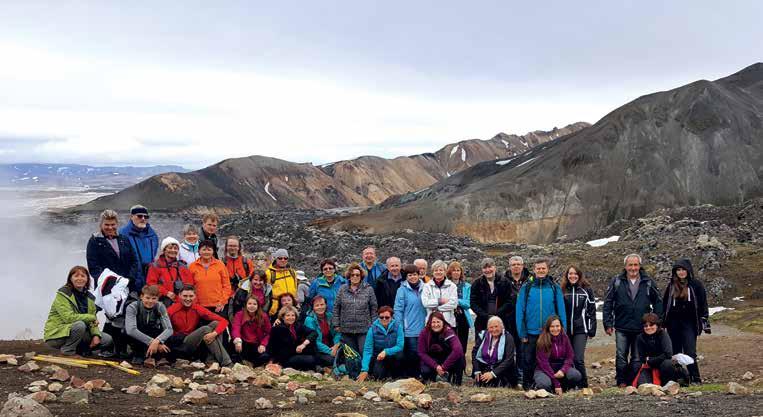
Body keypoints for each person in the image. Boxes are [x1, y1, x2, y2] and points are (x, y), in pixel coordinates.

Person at [603, 253, 663, 387]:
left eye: (636, 265)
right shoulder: (617, 281)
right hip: (621, 326)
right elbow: (608, 302)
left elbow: (658, 302)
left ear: (639, 266)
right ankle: (621, 382)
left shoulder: (648, 282)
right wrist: (607, 323)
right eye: (630, 265)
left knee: (637, 358)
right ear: (625, 266)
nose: (633, 268)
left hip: (641, 328)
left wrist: (657, 322)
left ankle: (633, 381)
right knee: (621, 357)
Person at [516, 258, 567, 390]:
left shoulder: (554, 287)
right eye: (538, 268)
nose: (541, 270)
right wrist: (522, 332)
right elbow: (520, 310)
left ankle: (549, 385)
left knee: (549, 360)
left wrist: (563, 329)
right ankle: (528, 386)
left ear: (547, 269)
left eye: (543, 268)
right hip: (531, 332)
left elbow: (561, 310)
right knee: (528, 360)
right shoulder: (526, 287)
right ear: (534, 270)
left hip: (549, 332)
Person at [44, 266, 113, 356]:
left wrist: (96, 335)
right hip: (57, 335)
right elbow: (69, 318)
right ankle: (68, 351)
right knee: (80, 325)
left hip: (77, 331)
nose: (80, 278)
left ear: (87, 279)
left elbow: (92, 321)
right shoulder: (63, 294)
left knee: (107, 339)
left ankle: (81, 351)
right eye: (76, 276)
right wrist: (91, 317)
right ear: (70, 279)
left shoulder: (90, 298)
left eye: (83, 276)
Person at [662, 259, 710, 384]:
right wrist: (662, 322)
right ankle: (680, 377)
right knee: (675, 352)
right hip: (673, 323)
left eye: (683, 269)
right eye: (678, 270)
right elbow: (665, 304)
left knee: (690, 351)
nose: (681, 272)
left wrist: (704, 320)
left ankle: (696, 378)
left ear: (688, 271)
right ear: (675, 272)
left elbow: (703, 304)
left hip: (690, 323)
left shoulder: (696, 285)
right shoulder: (671, 285)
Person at [166, 285, 232, 366]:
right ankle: (227, 362)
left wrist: (214, 333)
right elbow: (163, 328)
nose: (188, 299)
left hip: (193, 342)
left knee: (216, 324)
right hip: (179, 344)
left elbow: (224, 321)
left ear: (195, 296)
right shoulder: (172, 310)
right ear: (179, 295)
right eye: (185, 296)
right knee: (205, 329)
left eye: (191, 296)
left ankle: (211, 360)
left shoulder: (197, 308)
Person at [561, 265, 596, 388]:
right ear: (567, 275)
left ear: (579, 275)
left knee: (578, 358)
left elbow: (591, 310)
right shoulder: (562, 290)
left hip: (581, 329)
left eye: (575, 274)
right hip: (565, 330)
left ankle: (583, 385)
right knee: (566, 358)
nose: (572, 276)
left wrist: (592, 329)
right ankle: (569, 385)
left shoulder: (586, 290)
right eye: (570, 273)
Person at [332, 263, 377, 354]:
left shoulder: (368, 289)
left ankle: (365, 368)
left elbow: (374, 307)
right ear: (349, 276)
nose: (355, 277)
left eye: (357, 275)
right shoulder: (342, 289)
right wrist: (336, 324)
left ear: (361, 276)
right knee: (351, 355)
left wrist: (373, 324)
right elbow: (336, 307)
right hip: (346, 329)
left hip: (364, 328)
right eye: (352, 275)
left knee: (364, 351)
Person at [86, 209, 137, 287]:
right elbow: (93, 267)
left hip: (126, 284)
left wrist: (130, 279)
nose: (110, 227)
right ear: (101, 225)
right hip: (105, 287)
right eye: (106, 224)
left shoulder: (124, 239)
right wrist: (109, 282)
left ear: (117, 224)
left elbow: (134, 261)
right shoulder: (95, 241)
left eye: (113, 224)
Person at [125, 285, 173, 365]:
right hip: (138, 334)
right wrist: (151, 342)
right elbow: (131, 330)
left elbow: (169, 329)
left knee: (167, 336)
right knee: (124, 332)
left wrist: (157, 341)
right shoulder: (132, 306)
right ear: (141, 297)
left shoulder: (160, 306)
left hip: (153, 333)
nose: (150, 301)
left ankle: (157, 356)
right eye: (147, 298)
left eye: (154, 298)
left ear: (158, 298)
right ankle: (138, 354)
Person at [534, 315, 582, 394]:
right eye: (552, 326)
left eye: (557, 326)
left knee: (576, 375)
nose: (555, 329)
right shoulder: (542, 340)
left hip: (560, 368)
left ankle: (566, 387)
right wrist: (556, 383)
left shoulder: (565, 338)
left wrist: (563, 370)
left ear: (561, 326)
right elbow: (544, 364)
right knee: (544, 384)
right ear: (548, 328)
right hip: (544, 370)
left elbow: (570, 356)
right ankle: (547, 387)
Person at [632, 313, 684, 386]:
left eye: (651, 325)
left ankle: (667, 384)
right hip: (650, 366)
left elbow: (668, 354)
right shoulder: (640, 338)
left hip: (662, 364)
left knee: (667, 364)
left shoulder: (663, 334)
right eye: (645, 326)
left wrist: (651, 360)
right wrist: (649, 360)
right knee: (642, 381)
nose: (648, 328)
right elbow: (642, 357)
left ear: (657, 325)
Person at [394, 264, 427, 378]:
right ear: (406, 277)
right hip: (409, 329)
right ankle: (412, 376)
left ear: (419, 275)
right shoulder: (402, 290)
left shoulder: (426, 287)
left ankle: (422, 375)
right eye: (410, 275)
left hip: (424, 327)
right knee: (412, 353)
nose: (413, 277)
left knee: (423, 353)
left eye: (415, 274)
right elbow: (398, 310)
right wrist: (400, 327)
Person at [471, 258, 513, 343]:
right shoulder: (477, 284)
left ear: (495, 267)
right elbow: (473, 303)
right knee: (481, 346)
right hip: (482, 322)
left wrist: (497, 314)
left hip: (502, 321)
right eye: (485, 268)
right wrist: (485, 315)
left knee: (501, 345)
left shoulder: (505, 282)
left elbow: (509, 301)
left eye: (490, 267)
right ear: (482, 270)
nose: (488, 270)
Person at [357, 306, 404, 382]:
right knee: (378, 376)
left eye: (387, 317)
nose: (384, 319)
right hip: (379, 357)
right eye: (381, 317)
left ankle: (396, 375)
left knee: (400, 356)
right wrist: (364, 370)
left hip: (393, 356)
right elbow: (367, 350)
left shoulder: (398, 327)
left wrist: (386, 351)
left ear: (392, 317)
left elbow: (400, 346)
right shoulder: (372, 329)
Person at [418, 311, 465, 385]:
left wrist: (443, 367)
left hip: (446, 360)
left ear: (443, 322)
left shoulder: (448, 331)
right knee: (425, 371)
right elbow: (421, 353)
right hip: (433, 360)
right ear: (430, 323)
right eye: (433, 322)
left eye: (438, 322)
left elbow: (458, 349)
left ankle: (455, 378)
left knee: (460, 358)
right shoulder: (424, 333)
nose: (436, 325)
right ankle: (434, 378)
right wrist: (436, 366)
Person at [120, 204, 159, 292]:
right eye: (139, 216)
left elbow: (153, 255)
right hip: (131, 281)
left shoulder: (152, 235)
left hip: (149, 280)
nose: (143, 219)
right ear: (131, 217)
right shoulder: (123, 234)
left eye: (146, 216)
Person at [504, 255, 531, 379]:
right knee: (509, 347)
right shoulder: (503, 280)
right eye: (513, 264)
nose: (516, 266)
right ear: (510, 267)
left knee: (523, 348)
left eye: (518, 264)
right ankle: (510, 374)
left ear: (523, 265)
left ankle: (522, 374)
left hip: (526, 319)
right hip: (508, 318)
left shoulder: (531, 280)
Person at [146, 237, 195, 306]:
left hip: (181, 302)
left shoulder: (183, 266)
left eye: (175, 248)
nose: (173, 250)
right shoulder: (155, 266)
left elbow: (189, 285)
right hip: (161, 302)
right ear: (164, 250)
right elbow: (151, 284)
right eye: (170, 248)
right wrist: (166, 292)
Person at [268, 305, 318, 371]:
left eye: (293, 315)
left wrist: (303, 344)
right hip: (284, 357)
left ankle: (307, 367)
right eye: (288, 315)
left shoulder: (297, 325)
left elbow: (314, 333)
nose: (291, 318)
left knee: (312, 345)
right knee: (312, 359)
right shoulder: (278, 328)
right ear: (283, 317)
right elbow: (277, 347)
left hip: (295, 352)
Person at [189, 240, 232, 316]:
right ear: (199, 251)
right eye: (204, 249)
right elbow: (190, 287)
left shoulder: (220, 265)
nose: (206, 252)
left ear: (213, 251)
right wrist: (195, 304)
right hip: (200, 307)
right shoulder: (192, 267)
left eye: (209, 250)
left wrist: (222, 302)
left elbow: (227, 286)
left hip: (218, 307)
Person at [472, 316, 517, 387]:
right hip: (486, 367)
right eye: (491, 327)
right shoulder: (483, 335)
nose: (494, 329)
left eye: (496, 326)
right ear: (488, 328)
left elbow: (509, 359)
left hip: (503, 371)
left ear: (502, 327)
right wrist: (477, 370)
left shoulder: (508, 338)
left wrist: (492, 373)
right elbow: (475, 352)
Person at [231, 294, 272, 366]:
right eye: (249, 303)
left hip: (256, 344)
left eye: (254, 304)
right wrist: (238, 340)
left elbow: (268, 332)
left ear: (258, 306)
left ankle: (252, 363)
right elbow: (236, 328)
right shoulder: (239, 314)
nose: (252, 306)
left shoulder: (263, 316)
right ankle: (243, 361)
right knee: (233, 351)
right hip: (243, 343)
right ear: (246, 305)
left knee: (265, 356)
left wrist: (263, 344)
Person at [304, 296, 341, 367]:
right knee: (334, 360)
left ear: (326, 305)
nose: (320, 307)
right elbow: (314, 340)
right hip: (316, 349)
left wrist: (336, 346)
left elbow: (337, 332)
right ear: (313, 308)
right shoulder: (309, 320)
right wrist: (330, 351)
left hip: (332, 346)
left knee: (343, 357)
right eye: (317, 305)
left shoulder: (330, 316)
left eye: (322, 304)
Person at [421, 260, 458, 327]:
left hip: (448, 323)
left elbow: (454, 304)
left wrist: (436, 308)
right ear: (433, 272)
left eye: (441, 270)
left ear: (445, 272)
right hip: (432, 323)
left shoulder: (452, 286)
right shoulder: (426, 286)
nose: (438, 272)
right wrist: (439, 301)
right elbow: (426, 303)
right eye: (436, 270)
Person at [448, 261, 472, 354]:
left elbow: (468, 303)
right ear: (450, 272)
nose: (456, 272)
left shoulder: (467, 286)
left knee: (462, 344)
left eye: (458, 270)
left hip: (463, 317)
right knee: (450, 344)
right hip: (449, 317)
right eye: (454, 270)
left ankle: (462, 366)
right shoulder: (446, 285)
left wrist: (455, 300)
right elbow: (444, 300)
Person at [266, 248, 298, 316]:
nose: (283, 260)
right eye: (280, 258)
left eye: (285, 258)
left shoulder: (292, 272)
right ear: (276, 259)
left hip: (291, 307)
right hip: (276, 309)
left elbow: (295, 289)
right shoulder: (269, 274)